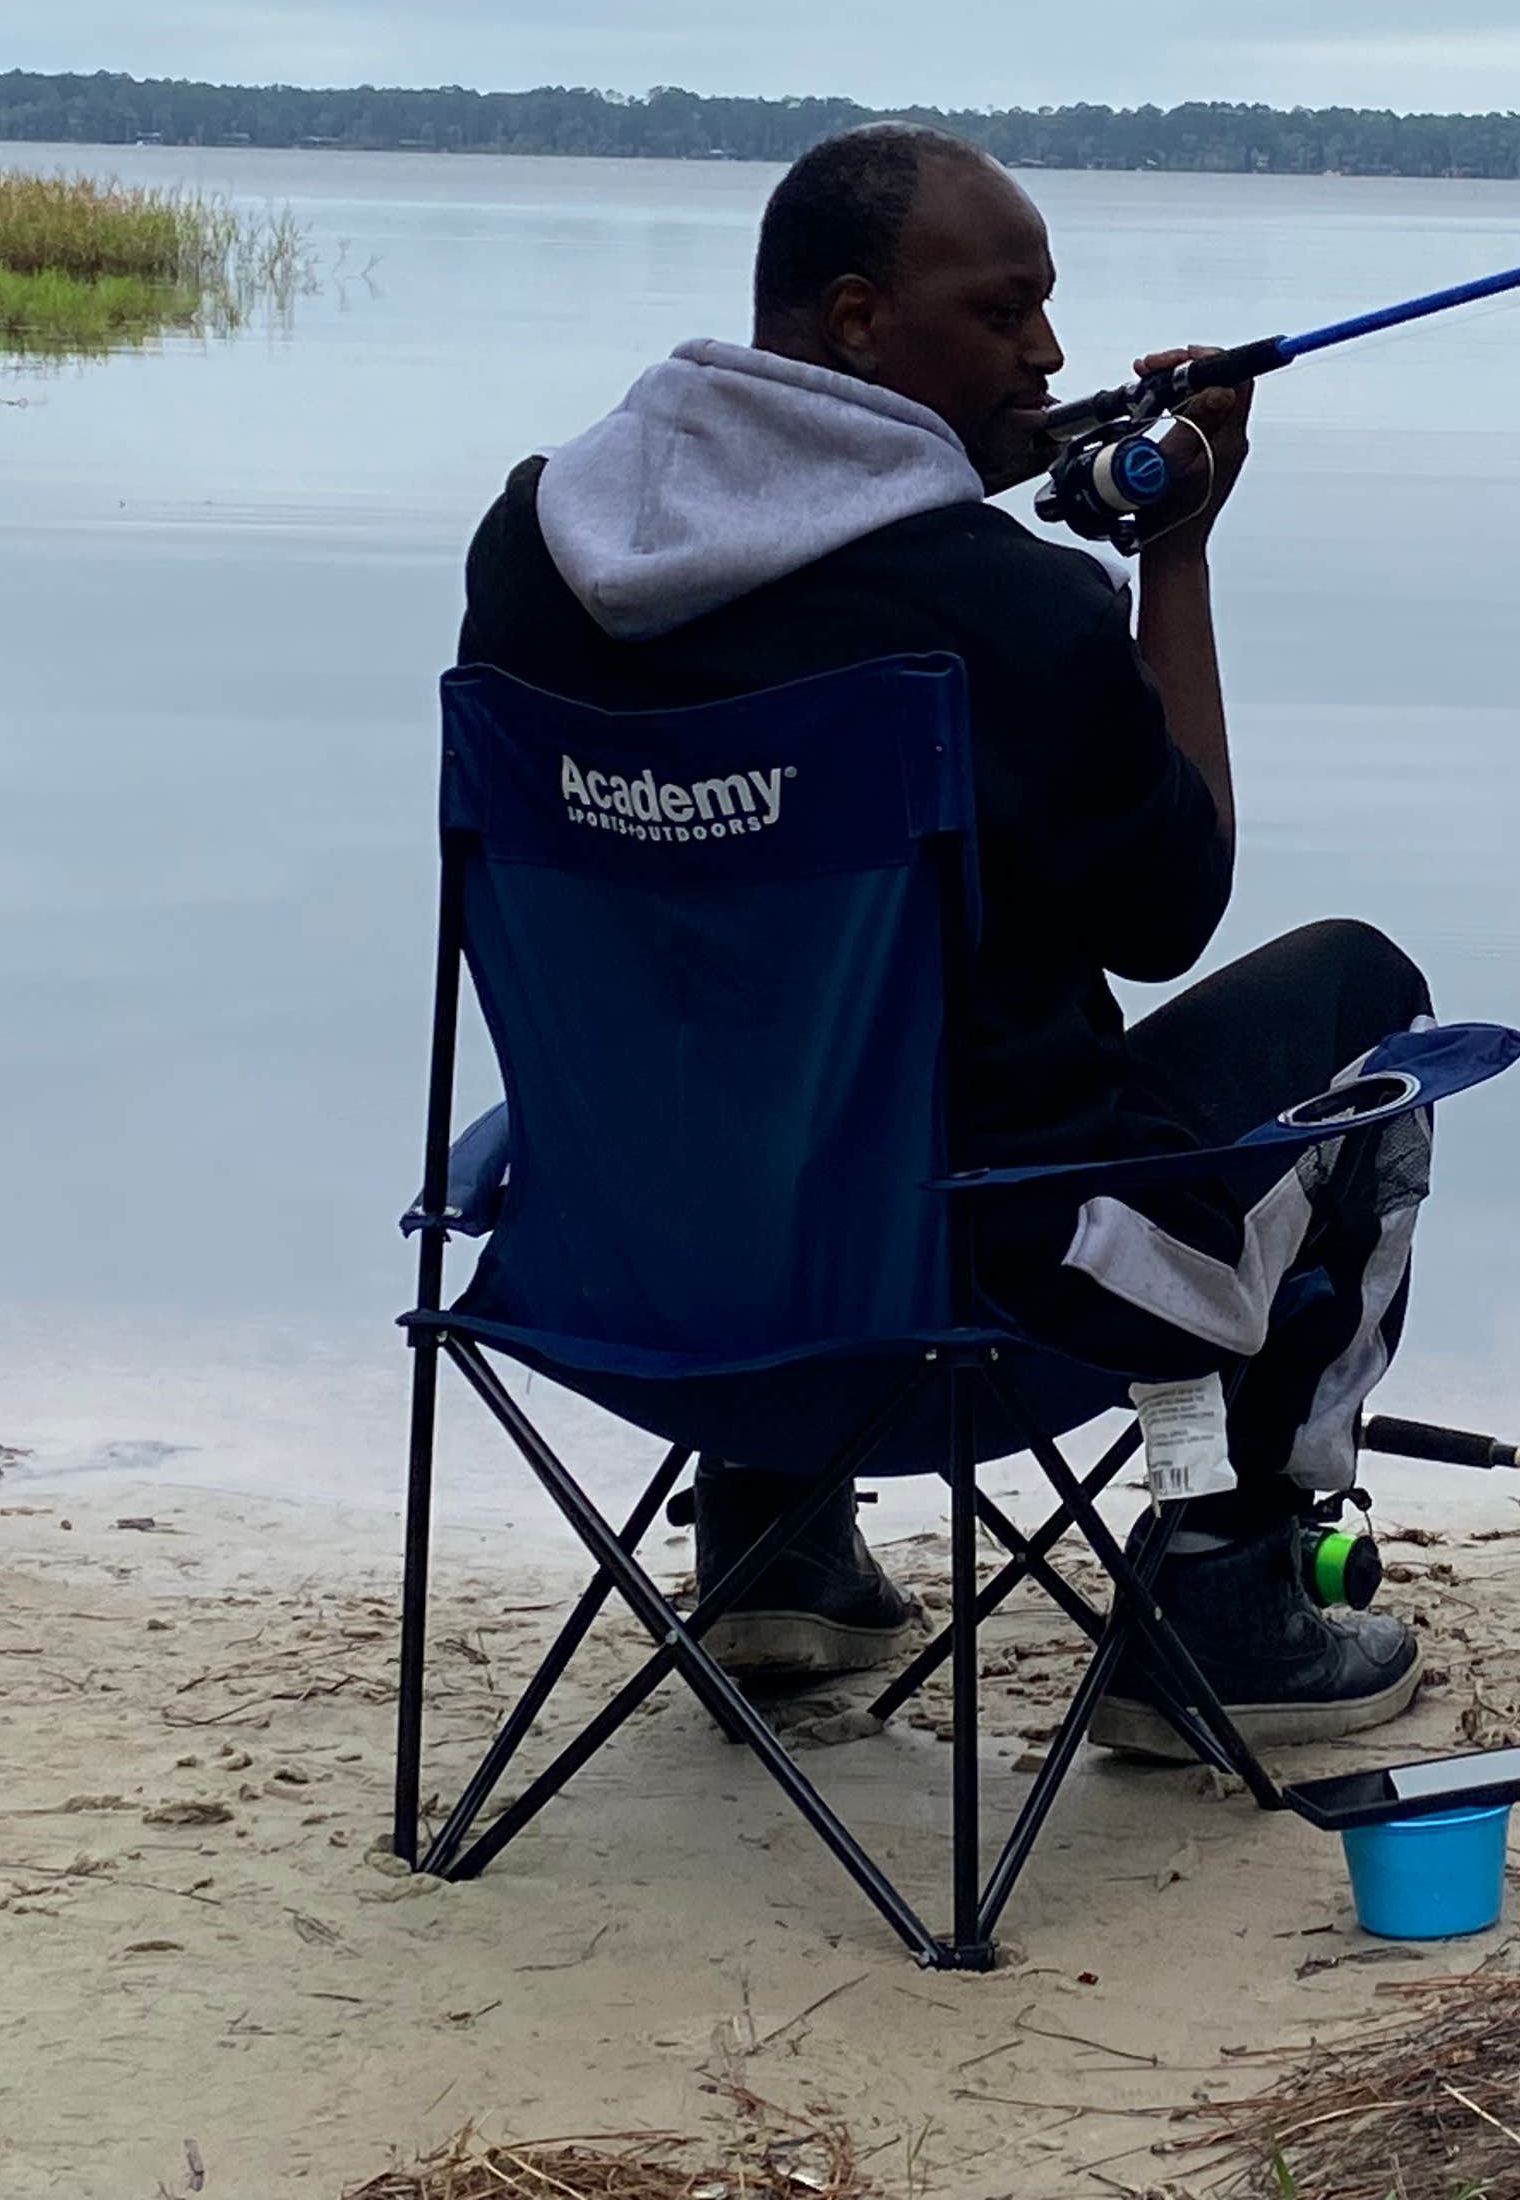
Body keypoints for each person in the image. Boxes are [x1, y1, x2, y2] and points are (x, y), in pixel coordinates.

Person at [458, 121, 1438, 1755]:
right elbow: (1171, 911)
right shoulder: (1003, 609)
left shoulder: (532, 553)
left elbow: (811, 560)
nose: (1049, 350)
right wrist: (1173, 553)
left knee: (761, 1030)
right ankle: (1223, 1598)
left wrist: (960, 475)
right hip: (966, 1304)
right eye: (1005, 312)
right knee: (1363, 999)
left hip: (625, 1270)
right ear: (857, 324)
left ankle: (776, 1546)